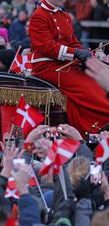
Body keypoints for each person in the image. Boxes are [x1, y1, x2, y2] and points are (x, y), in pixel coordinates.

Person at [28, 0, 109, 136]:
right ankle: (100, 123)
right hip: (48, 66)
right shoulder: (39, 15)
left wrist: (85, 55)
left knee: (96, 75)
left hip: (66, 63)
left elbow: (72, 41)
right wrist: (75, 53)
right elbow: (46, 46)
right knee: (87, 86)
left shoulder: (63, 14)